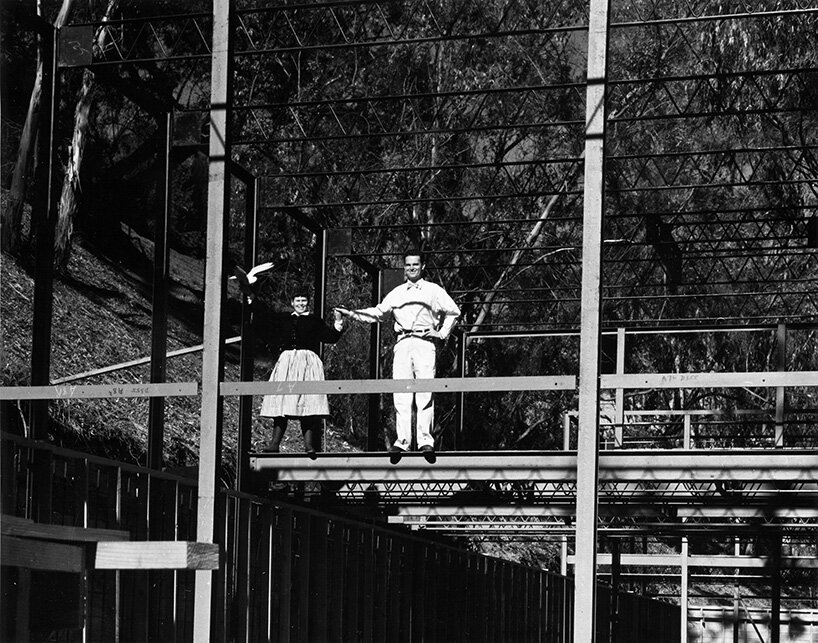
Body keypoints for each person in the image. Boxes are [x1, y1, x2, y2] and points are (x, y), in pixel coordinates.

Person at [335, 250, 460, 454]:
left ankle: (425, 442)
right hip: (402, 343)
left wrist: (441, 333)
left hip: (424, 343)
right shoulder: (397, 292)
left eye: (415, 265)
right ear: (405, 267)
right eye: (408, 265)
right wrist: (351, 313)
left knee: (424, 392)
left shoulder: (433, 290)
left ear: (423, 267)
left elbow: (454, 311)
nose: (411, 268)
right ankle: (402, 441)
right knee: (401, 393)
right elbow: (377, 313)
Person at [233, 266, 344, 456]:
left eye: (304, 301)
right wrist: (251, 296)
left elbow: (330, 337)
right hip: (286, 362)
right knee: (282, 402)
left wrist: (338, 322)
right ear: (292, 302)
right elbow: (265, 316)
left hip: (308, 363)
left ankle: (309, 446)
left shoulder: (315, 321)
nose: (301, 304)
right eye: (297, 301)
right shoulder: (284, 318)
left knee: (308, 403)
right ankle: (274, 444)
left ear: (308, 303)